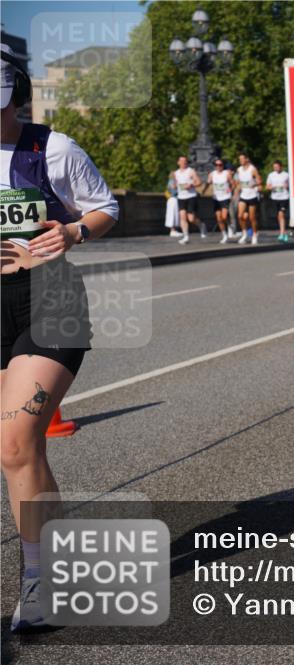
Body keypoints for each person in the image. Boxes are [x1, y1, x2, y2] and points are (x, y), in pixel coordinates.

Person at [1, 44, 119, 631]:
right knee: (23, 452)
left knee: (15, 442)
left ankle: (40, 578)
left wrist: (72, 230)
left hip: (48, 300)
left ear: (17, 98)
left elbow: (106, 208)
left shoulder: (52, 148)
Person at [173, 155, 204, 244]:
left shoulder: (191, 171)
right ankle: (186, 236)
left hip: (191, 196)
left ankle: (201, 225)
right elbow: (176, 184)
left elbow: (199, 182)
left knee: (191, 218)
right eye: (182, 161)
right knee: (182, 216)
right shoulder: (176, 173)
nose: (184, 163)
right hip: (181, 197)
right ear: (178, 162)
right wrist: (175, 186)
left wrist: (191, 185)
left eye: (185, 161)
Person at [205, 158, 235, 243]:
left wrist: (230, 190)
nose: (218, 167)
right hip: (216, 198)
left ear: (223, 166)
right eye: (216, 165)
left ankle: (229, 225)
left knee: (224, 216)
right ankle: (224, 234)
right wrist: (204, 190)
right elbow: (208, 183)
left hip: (225, 197)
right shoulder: (212, 174)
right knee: (219, 218)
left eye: (220, 165)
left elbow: (233, 184)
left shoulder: (227, 173)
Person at [235, 152, 262, 244]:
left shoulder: (252, 169)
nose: (240, 161)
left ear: (247, 159)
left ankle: (254, 234)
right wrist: (236, 193)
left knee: (251, 218)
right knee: (239, 216)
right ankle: (245, 234)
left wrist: (254, 184)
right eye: (240, 159)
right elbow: (239, 183)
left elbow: (259, 180)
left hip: (252, 196)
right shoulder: (239, 170)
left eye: (242, 159)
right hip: (243, 195)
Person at [266, 160, 291, 242]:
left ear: (281, 166)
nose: (276, 168)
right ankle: (283, 232)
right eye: (274, 167)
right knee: (278, 216)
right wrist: (271, 187)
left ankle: (282, 233)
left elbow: (291, 185)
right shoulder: (271, 175)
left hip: (284, 197)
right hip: (274, 198)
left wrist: (287, 186)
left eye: (277, 167)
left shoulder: (286, 175)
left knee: (281, 214)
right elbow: (267, 186)